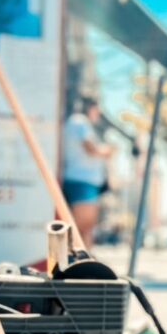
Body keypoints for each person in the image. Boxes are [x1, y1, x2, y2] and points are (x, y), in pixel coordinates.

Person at [61, 97, 112, 247]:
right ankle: (80, 263)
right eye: (97, 110)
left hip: (83, 181)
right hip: (81, 180)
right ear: (90, 108)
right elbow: (90, 148)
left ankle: (85, 260)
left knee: (85, 228)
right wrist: (107, 151)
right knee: (83, 226)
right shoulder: (79, 121)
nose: (99, 114)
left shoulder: (78, 123)